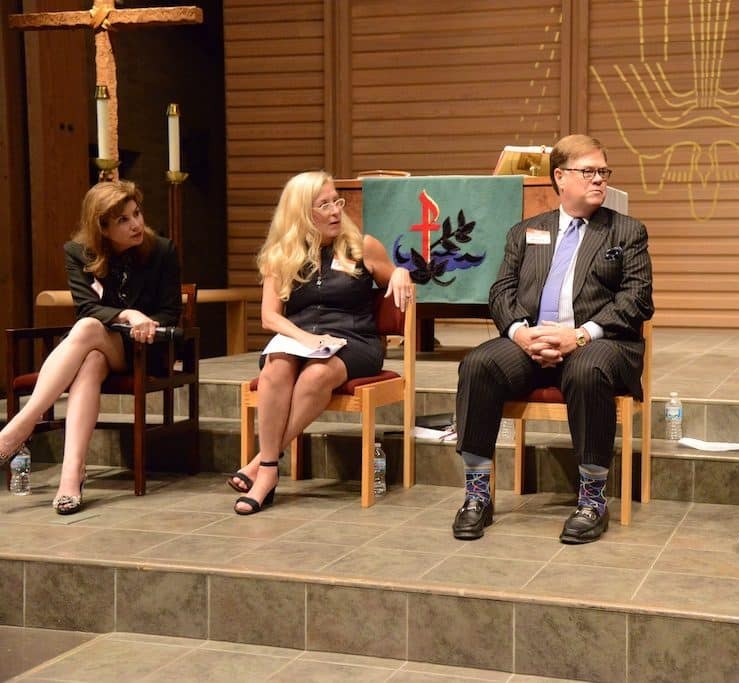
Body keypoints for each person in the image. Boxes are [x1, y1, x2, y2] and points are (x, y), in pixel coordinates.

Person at [451, 134, 654, 544]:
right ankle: (477, 493)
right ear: (560, 177)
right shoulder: (526, 232)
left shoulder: (626, 232)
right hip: (533, 341)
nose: (599, 180)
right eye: (589, 172)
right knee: (479, 364)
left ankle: (592, 499)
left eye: (603, 172)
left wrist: (578, 335)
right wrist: (520, 335)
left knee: (587, 370)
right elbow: (501, 292)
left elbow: (637, 299)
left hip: (602, 342)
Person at [228, 170, 413, 515]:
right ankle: (268, 467)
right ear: (301, 213)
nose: (335, 211)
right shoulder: (280, 255)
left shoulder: (362, 247)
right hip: (300, 341)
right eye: (323, 205)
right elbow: (270, 317)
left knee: (315, 375)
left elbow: (399, 282)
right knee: (276, 365)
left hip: (355, 341)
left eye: (336, 202)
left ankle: (263, 467)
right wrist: (306, 339)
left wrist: (401, 272)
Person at [0, 180, 182, 515]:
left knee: (86, 331)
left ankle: (19, 427)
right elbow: (86, 307)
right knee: (90, 359)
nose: (137, 224)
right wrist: (127, 313)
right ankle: (72, 475)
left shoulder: (162, 251)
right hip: (103, 344)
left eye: (137, 214)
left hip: (145, 349)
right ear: (102, 228)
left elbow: (171, 312)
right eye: (124, 220)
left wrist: (142, 323)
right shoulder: (78, 252)